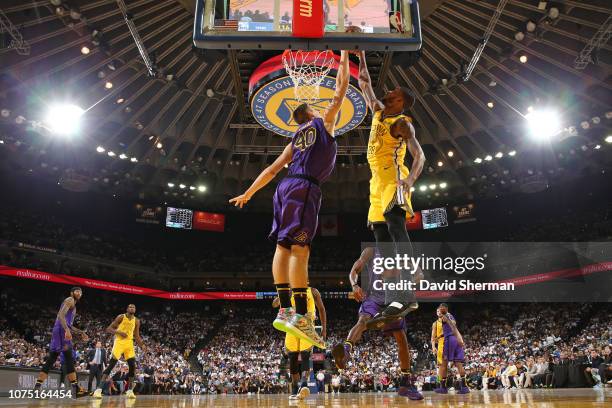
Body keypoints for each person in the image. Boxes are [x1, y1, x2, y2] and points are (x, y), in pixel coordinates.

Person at [229, 48, 352, 349]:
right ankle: (300, 316)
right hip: (304, 188)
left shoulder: (295, 140)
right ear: (311, 113)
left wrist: (248, 192)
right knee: (301, 250)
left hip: (283, 189)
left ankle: (284, 307)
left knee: (282, 246)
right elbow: (342, 88)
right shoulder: (323, 124)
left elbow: (271, 170)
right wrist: (346, 53)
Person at [354, 50, 425, 328]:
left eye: (393, 94)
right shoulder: (379, 112)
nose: (387, 94)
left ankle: (409, 287)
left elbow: (420, 156)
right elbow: (364, 82)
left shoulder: (401, 124)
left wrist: (409, 182)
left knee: (396, 227)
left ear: (402, 104)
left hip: (394, 177)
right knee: (382, 239)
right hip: (376, 182)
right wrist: (358, 52)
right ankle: (397, 296)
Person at [332, 246, 423, 400]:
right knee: (363, 320)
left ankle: (405, 384)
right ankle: (346, 351)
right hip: (374, 298)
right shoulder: (371, 251)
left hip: (393, 299)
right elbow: (354, 270)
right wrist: (354, 285)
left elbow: (419, 275)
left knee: (401, 338)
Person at [33, 287, 88, 399]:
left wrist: (81, 332)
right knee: (68, 359)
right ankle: (75, 389)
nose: (79, 293)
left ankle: (37, 388)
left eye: (80, 292)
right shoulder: (70, 300)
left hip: (59, 330)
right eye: (77, 291)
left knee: (52, 359)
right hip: (61, 331)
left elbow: (69, 324)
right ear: (72, 293)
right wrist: (66, 330)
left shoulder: (74, 305)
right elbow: (60, 315)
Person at [272, 287, 326, 400]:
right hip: (291, 327)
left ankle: (304, 385)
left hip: (307, 326)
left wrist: (324, 329)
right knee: (293, 357)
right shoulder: (290, 291)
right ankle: (295, 387)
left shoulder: (313, 291)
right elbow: (274, 304)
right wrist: (281, 297)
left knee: (306, 355)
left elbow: (321, 309)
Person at [93, 304, 146, 399]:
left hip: (129, 343)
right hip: (119, 342)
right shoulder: (121, 317)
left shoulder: (137, 321)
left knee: (132, 366)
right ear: (127, 309)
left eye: (133, 307)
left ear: (135, 309)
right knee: (111, 365)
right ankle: (98, 390)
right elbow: (109, 329)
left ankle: (130, 391)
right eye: (130, 307)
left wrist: (142, 345)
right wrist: (119, 332)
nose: (132, 308)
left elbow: (137, 336)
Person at [431, 303, 469, 394]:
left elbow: (452, 326)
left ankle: (443, 388)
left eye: (440, 309)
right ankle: (464, 387)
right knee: (458, 363)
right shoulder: (450, 316)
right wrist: (460, 338)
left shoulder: (445, 316)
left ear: (444, 309)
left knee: (443, 364)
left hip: (448, 341)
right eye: (439, 310)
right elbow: (455, 328)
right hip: (456, 339)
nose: (440, 311)